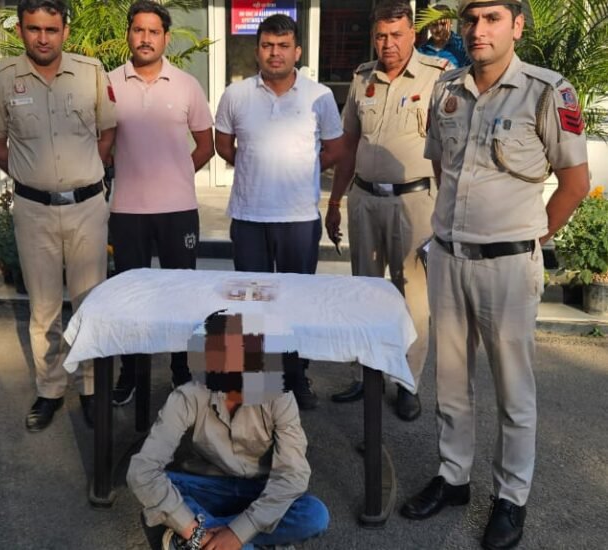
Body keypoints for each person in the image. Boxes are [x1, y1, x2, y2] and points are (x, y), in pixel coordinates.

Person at [399, 1, 589, 549]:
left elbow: (575, 183)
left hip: (508, 265)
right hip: (449, 257)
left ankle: (510, 497)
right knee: (450, 381)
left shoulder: (547, 92)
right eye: (471, 19)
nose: (478, 30)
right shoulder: (447, 87)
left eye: (492, 18)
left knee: (513, 389)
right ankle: (453, 476)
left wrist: (529, 239)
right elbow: (443, 164)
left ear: (517, 26)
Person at [0, 0, 116, 431]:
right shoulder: (2, 77)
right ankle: (51, 389)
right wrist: (29, 175)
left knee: (90, 302)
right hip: (34, 211)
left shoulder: (91, 73)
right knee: (43, 307)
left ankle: (91, 388)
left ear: (65, 32)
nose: (43, 38)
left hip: (87, 208)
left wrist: (85, 172)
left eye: (51, 30)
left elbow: (108, 130)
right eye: (34, 29)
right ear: (20, 30)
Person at [325, 0, 451, 421]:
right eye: (381, 36)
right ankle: (367, 375)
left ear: (413, 34)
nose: (388, 43)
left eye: (397, 35)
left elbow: (451, 147)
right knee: (364, 292)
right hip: (364, 199)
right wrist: (335, 201)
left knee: (412, 297)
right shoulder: (362, 78)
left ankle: (407, 382)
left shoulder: (438, 77)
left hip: (414, 202)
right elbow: (348, 146)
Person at [214, 14, 344, 411]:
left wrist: (298, 171)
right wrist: (258, 167)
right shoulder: (235, 95)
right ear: (257, 50)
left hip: (299, 219)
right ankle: (254, 380)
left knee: (296, 304)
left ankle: (295, 376)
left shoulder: (319, 96)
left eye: (283, 46)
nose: (275, 53)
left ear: (297, 51)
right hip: (249, 216)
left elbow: (335, 150)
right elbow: (223, 145)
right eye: (268, 45)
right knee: (251, 304)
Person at [127, 311, 329, 550]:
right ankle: (240, 541)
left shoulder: (280, 396)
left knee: (314, 514)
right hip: (208, 487)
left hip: (260, 489)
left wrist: (236, 533)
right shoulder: (189, 396)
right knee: (162, 485)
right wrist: (197, 531)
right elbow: (143, 470)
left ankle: (187, 540)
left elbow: (292, 475)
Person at [108, 0, 215, 406]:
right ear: (128, 35)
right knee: (130, 297)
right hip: (127, 211)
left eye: (154, 31)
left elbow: (205, 145)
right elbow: (100, 141)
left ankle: (180, 369)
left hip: (178, 211)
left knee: (180, 294)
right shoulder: (108, 84)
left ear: (166, 38)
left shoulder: (187, 85)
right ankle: (131, 371)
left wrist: (177, 174)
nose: (145, 38)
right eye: (138, 30)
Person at [418, 4, 469, 68]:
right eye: (434, 24)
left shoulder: (462, 47)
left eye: (443, 24)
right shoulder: (422, 51)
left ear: (451, 23)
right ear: (429, 26)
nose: (439, 29)